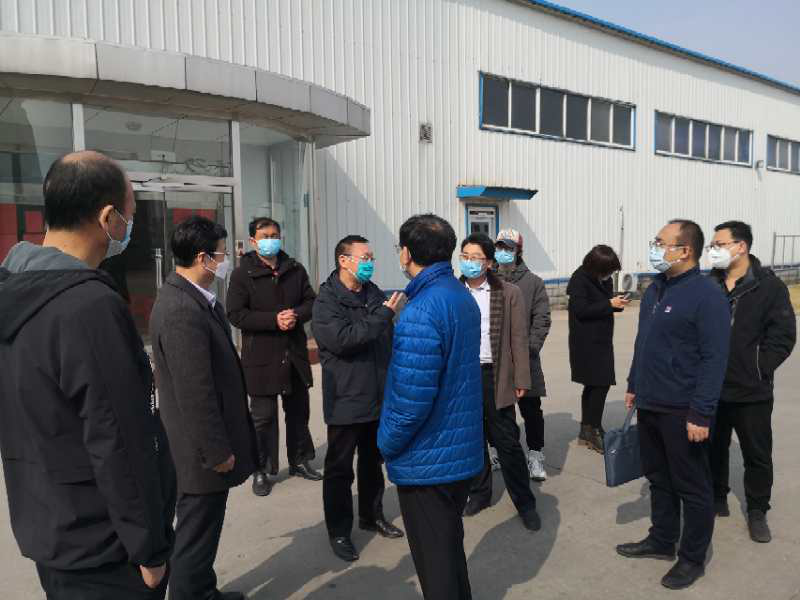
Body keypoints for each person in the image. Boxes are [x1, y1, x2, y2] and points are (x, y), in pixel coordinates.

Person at [0, 151, 176, 599]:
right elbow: (118, 437)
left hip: (49, 524)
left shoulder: (13, 289)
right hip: (106, 545)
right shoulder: (88, 306)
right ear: (108, 218)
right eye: (130, 214)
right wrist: (150, 548)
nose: (130, 226)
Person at [618, 219, 731, 590]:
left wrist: (701, 412)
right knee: (658, 477)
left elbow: (715, 359)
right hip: (650, 401)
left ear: (685, 251)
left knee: (692, 486)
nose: (654, 248)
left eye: (660, 242)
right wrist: (634, 384)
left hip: (683, 409)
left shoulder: (706, 295)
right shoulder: (655, 289)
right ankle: (662, 539)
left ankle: (692, 558)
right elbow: (644, 342)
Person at [150, 216, 258, 600]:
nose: (226, 261)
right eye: (222, 254)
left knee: (204, 532)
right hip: (199, 454)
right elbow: (195, 393)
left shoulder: (195, 298)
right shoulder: (181, 309)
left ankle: (203, 590)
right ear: (203, 258)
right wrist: (216, 451)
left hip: (201, 448)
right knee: (195, 537)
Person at [378, 214, 483, 600]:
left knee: (435, 564)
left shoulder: (420, 311)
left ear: (406, 253)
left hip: (428, 461)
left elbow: (410, 404)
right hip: (457, 453)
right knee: (448, 551)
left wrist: (385, 444)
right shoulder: (460, 296)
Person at [312, 235, 406, 562]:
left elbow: (386, 337)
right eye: (364, 257)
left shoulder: (373, 293)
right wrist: (384, 316)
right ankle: (339, 531)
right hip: (346, 397)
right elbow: (344, 340)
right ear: (344, 260)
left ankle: (371, 515)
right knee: (339, 469)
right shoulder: (327, 301)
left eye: (371, 257)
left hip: (378, 396)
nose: (370, 263)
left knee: (372, 463)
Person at [707, 221, 796, 543]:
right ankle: (716, 496)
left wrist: (759, 367)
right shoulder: (709, 284)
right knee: (712, 448)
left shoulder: (769, 287)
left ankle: (757, 510)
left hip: (751, 390)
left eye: (719, 244)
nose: (713, 251)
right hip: (711, 388)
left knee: (757, 455)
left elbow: (783, 335)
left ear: (740, 246)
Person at [227, 217, 321, 496]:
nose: (271, 240)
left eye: (275, 235)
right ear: (253, 241)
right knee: (263, 418)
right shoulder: (242, 274)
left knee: (298, 411)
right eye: (265, 236)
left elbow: (311, 301)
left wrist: (296, 315)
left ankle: (300, 460)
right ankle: (261, 469)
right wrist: (273, 320)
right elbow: (236, 314)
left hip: (293, 353)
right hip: (261, 356)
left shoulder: (295, 268)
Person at [458, 233, 540, 530]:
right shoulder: (453, 292)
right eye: (464, 256)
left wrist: (521, 377)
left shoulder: (508, 292)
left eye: (476, 257)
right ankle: (480, 493)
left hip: (495, 373)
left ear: (489, 263)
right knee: (472, 438)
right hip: (463, 375)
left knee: (506, 440)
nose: (469, 262)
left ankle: (525, 502)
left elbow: (518, 337)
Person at [494, 228, 552, 480]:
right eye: (499, 247)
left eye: (508, 247)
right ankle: (498, 450)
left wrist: (528, 350)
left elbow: (542, 319)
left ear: (519, 251)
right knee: (496, 411)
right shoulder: (487, 279)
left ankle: (536, 454)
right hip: (494, 359)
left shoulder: (533, 283)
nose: (502, 252)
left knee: (531, 409)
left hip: (524, 359)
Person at [567, 245, 629, 454]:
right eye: (607, 271)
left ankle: (589, 428)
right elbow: (581, 310)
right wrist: (609, 304)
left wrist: (616, 304)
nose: (609, 275)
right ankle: (592, 429)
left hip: (602, 340)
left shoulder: (603, 279)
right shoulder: (579, 279)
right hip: (586, 342)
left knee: (595, 385)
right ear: (596, 267)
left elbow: (603, 304)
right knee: (599, 384)